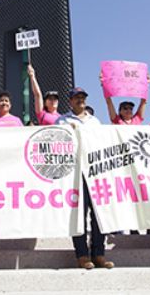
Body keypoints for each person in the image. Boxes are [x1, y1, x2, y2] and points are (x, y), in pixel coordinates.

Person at [56, 87, 113, 269]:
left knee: (99, 215)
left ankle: (98, 254)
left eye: (83, 97)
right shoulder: (62, 120)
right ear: (70, 101)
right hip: (74, 174)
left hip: (95, 173)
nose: (80, 100)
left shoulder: (94, 121)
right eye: (76, 98)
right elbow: (57, 143)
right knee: (78, 215)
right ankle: (81, 255)